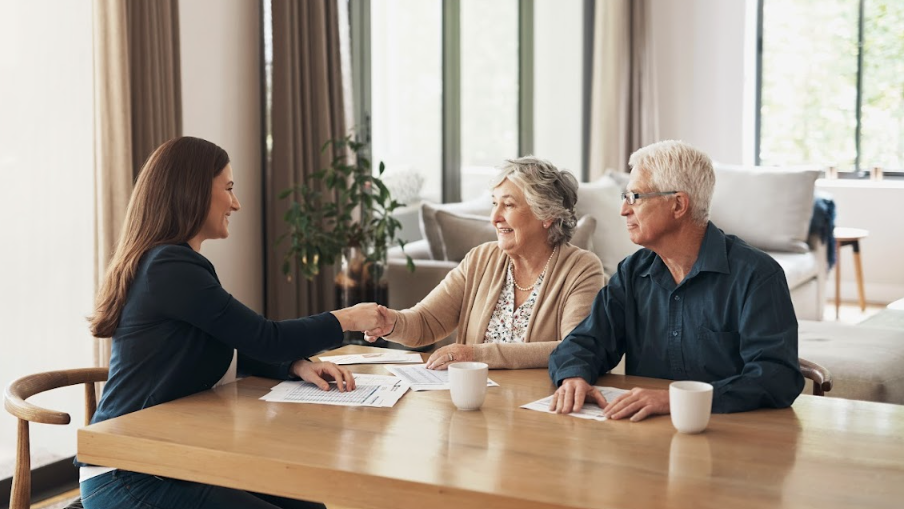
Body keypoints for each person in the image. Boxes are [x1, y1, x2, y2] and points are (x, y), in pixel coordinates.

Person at [79, 137, 384, 509]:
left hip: (172, 462)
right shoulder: (169, 268)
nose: (236, 204)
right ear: (191, 192)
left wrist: (295, 364)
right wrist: (348, 318)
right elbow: (265, 338)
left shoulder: (170, 264)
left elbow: (234, 345)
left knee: (311, 505)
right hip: (129, 474)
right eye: (229, 189)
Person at [548, 140, 804, 420]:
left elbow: (776, 378)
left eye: (635, 197)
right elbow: (585, 342)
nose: (623, 210)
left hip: (731, 436)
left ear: (678, 204)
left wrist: (675, 400)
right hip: (645, 436)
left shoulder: (757, 276)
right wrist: (573, 376)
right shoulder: (632, 272)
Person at [364, 156, 605, 369]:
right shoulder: (480, 259)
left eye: (508, 205)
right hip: (475, 400)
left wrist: (476, 354)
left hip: (538, 404)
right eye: (494, 203)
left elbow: (575, 348)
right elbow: (427, 322)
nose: (494, 218)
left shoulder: (582, 268)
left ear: (547, 215)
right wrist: (391, 323)